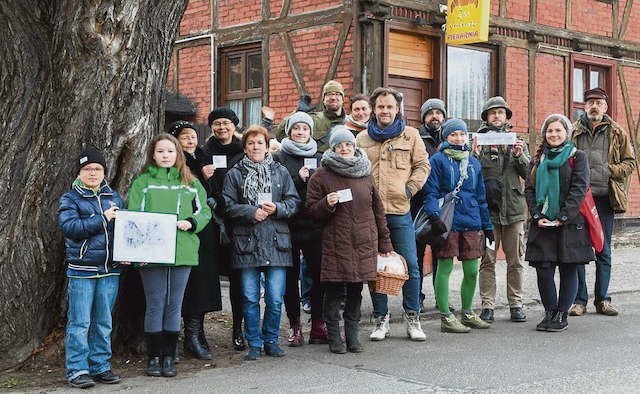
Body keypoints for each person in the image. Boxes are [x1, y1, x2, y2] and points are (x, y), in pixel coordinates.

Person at [128, 134, 211, 378]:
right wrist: (136, 253)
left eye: (170, 152)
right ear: (153, 155)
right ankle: (153, 357)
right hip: (151, 253)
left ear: (178, 155)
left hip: (182, 250)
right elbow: (134, 217)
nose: (166, 155)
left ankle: (169, 356)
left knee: (174, 305)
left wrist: (191, 222)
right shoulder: (143, 183)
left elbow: (204, 210)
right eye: (161, 151)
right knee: (155, 304)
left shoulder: (191, 182)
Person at [306, 126, 393, 353]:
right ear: (333, 149)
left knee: (356, 291)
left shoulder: (365, 172)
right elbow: (311, 211)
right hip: (336, 242)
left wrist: (385, 242)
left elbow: (378, 210)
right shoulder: (321, 175)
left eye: (348, 145)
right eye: (339, 145)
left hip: (364, 241)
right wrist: (326, 204)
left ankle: (352, 337)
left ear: (354, 147)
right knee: (335, 292)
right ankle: (335, 337)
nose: (344, 148)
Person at [356, 87, 430, 342]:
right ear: (374, 110)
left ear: (397, 109)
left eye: (389, 107)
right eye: (380, 107)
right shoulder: (362, 139)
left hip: (399, 211)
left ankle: (413, 317)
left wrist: (409, 190)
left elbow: (422, 165)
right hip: (370, 214)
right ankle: (380, 319)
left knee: (410, 264)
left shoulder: (411, 136)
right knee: (375, 267)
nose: (385, 111)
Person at [223, 125, 301, 361]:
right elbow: (227, 205)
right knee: (249, 297)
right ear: (245, 147)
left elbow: (294, 202)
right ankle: (254, 343)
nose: (255, 147)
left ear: (267, 146)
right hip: (247, 244)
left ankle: (271, 340)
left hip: (277, 242)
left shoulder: (281, 172)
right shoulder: (234, 174)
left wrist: (278, 208)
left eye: (260, 143)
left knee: (276, 298)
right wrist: (249, 212)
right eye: (251, 143)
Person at [58, 146, 125, 389]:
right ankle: (77, 369)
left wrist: (126, 253)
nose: (93, 173)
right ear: (79, 173)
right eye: (87, 169)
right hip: (82, 271)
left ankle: (100, 366)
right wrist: (103, 218)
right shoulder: (70, 199)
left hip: (110, 270)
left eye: (97, 169)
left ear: (104, 172)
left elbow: (124, 231)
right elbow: (71, 228)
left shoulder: (114, 197)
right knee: (80, 322)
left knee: (103, 321)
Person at [569, 87, 636, 317]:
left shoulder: (618, 132)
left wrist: (610, 170)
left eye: (598, 102)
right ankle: (579, 300)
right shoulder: (573, 131)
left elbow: (630, 163)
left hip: (605, 199)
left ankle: (602, 299)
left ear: (605, 107)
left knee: (603, 249)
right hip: (579, 199)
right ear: (584, 106)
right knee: (578, 249)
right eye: (590, 103)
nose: (594, 106)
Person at [525, 114, 595, 332]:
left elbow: (579, 189)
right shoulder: (538, 159)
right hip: (543, 224)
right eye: (549, 131)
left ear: (567, 133)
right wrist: (537, 216)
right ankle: (550, 312)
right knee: (543, 270)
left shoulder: (578, 156)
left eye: (558, 130)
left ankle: (562, 314)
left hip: (570, 224)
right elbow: (529, 189)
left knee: (568, 269)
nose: (553, 134)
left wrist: (562, 217)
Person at [423, 118, 493, 333]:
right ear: (446, 137)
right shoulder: (437, 160)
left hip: (471, 221)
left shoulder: (474, 162)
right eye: (454, 134)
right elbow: (431, 192)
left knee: (472, 270)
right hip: (448, 222)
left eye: (462, 134)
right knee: (444, 268)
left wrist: (487, 225)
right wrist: (434, 217)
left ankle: (468, 312)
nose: (459, 138)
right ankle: (446, 316)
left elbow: (481, 196)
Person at [168, 121, 222, 360]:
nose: (190, 141)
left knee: (204, 282)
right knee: (186, 284)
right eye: (185, 137)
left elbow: (216, 191)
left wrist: (214, 198)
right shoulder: (176, 164)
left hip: (205, 227)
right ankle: (186, 335)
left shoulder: (203, 157)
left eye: (192, 136)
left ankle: (197, 331)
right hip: (184, 228)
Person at [272, 112, 327, 347]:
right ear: (289, 131)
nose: (300, 132)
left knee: (319, 277)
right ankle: (295, 325)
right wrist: (297, 178)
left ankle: (318, 323)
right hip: (288, 226)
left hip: (315, 225)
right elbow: (276, 189)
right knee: (290, 278)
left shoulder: (321, 157)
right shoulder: (280, 157)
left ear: (310, 132)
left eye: (305, 129)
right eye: (296, 129)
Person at [474, 96, 530, 323]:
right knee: (487, 260)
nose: (497, 116)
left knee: (515, 260)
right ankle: (487, 305)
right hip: (489, 212)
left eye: (501, 112)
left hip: (514, 211)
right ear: (486, 117)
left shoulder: (518, 141)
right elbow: (470, 173)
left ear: (507, 117)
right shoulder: (478, 142)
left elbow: (528, 174)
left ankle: (516, 303)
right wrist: (474, 155)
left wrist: (519, 155)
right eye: (492, 112)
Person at [201, 107, 247, 351]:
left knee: (239, 280)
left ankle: (238, 329)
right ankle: (199, 332)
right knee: (207, 279)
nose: (221, 127)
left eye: (226, 123)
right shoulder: (204, 152)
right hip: (213, 221)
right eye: (217, 123)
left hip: (239, 221)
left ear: (234, 125)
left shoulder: (243, 149)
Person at [411, 98, 447, 311]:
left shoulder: (450, 137)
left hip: (442, 205)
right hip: (417, 204)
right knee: (416, 254)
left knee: (441, 255)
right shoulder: (416, 138)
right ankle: (416, 297)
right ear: (424, 117)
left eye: (438, 113)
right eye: (430, 113)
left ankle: (441, 298)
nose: (435, 116)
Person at [268, 80, 347, 152]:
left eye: (337, 94)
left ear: (343, 99)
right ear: (324, 99)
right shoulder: (313, 119)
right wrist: (297, 113)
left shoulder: (350, 124)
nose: (333, 97)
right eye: (329, 94)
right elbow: (280, 135)